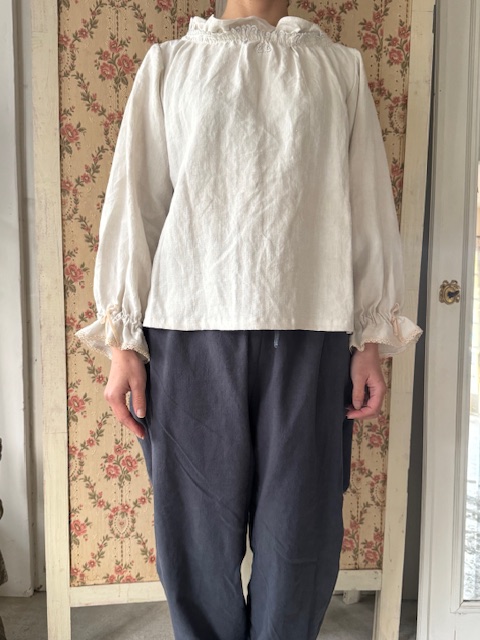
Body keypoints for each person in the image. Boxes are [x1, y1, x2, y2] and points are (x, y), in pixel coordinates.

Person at [76, 0, 422, 638]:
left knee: (299, 532)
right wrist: (123, 343)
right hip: (188, 332)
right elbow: (137, 202)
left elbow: (366, 204)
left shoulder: (339, 69)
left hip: (312, 329)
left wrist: (370, 339)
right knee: (196, 539)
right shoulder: (169, 65)